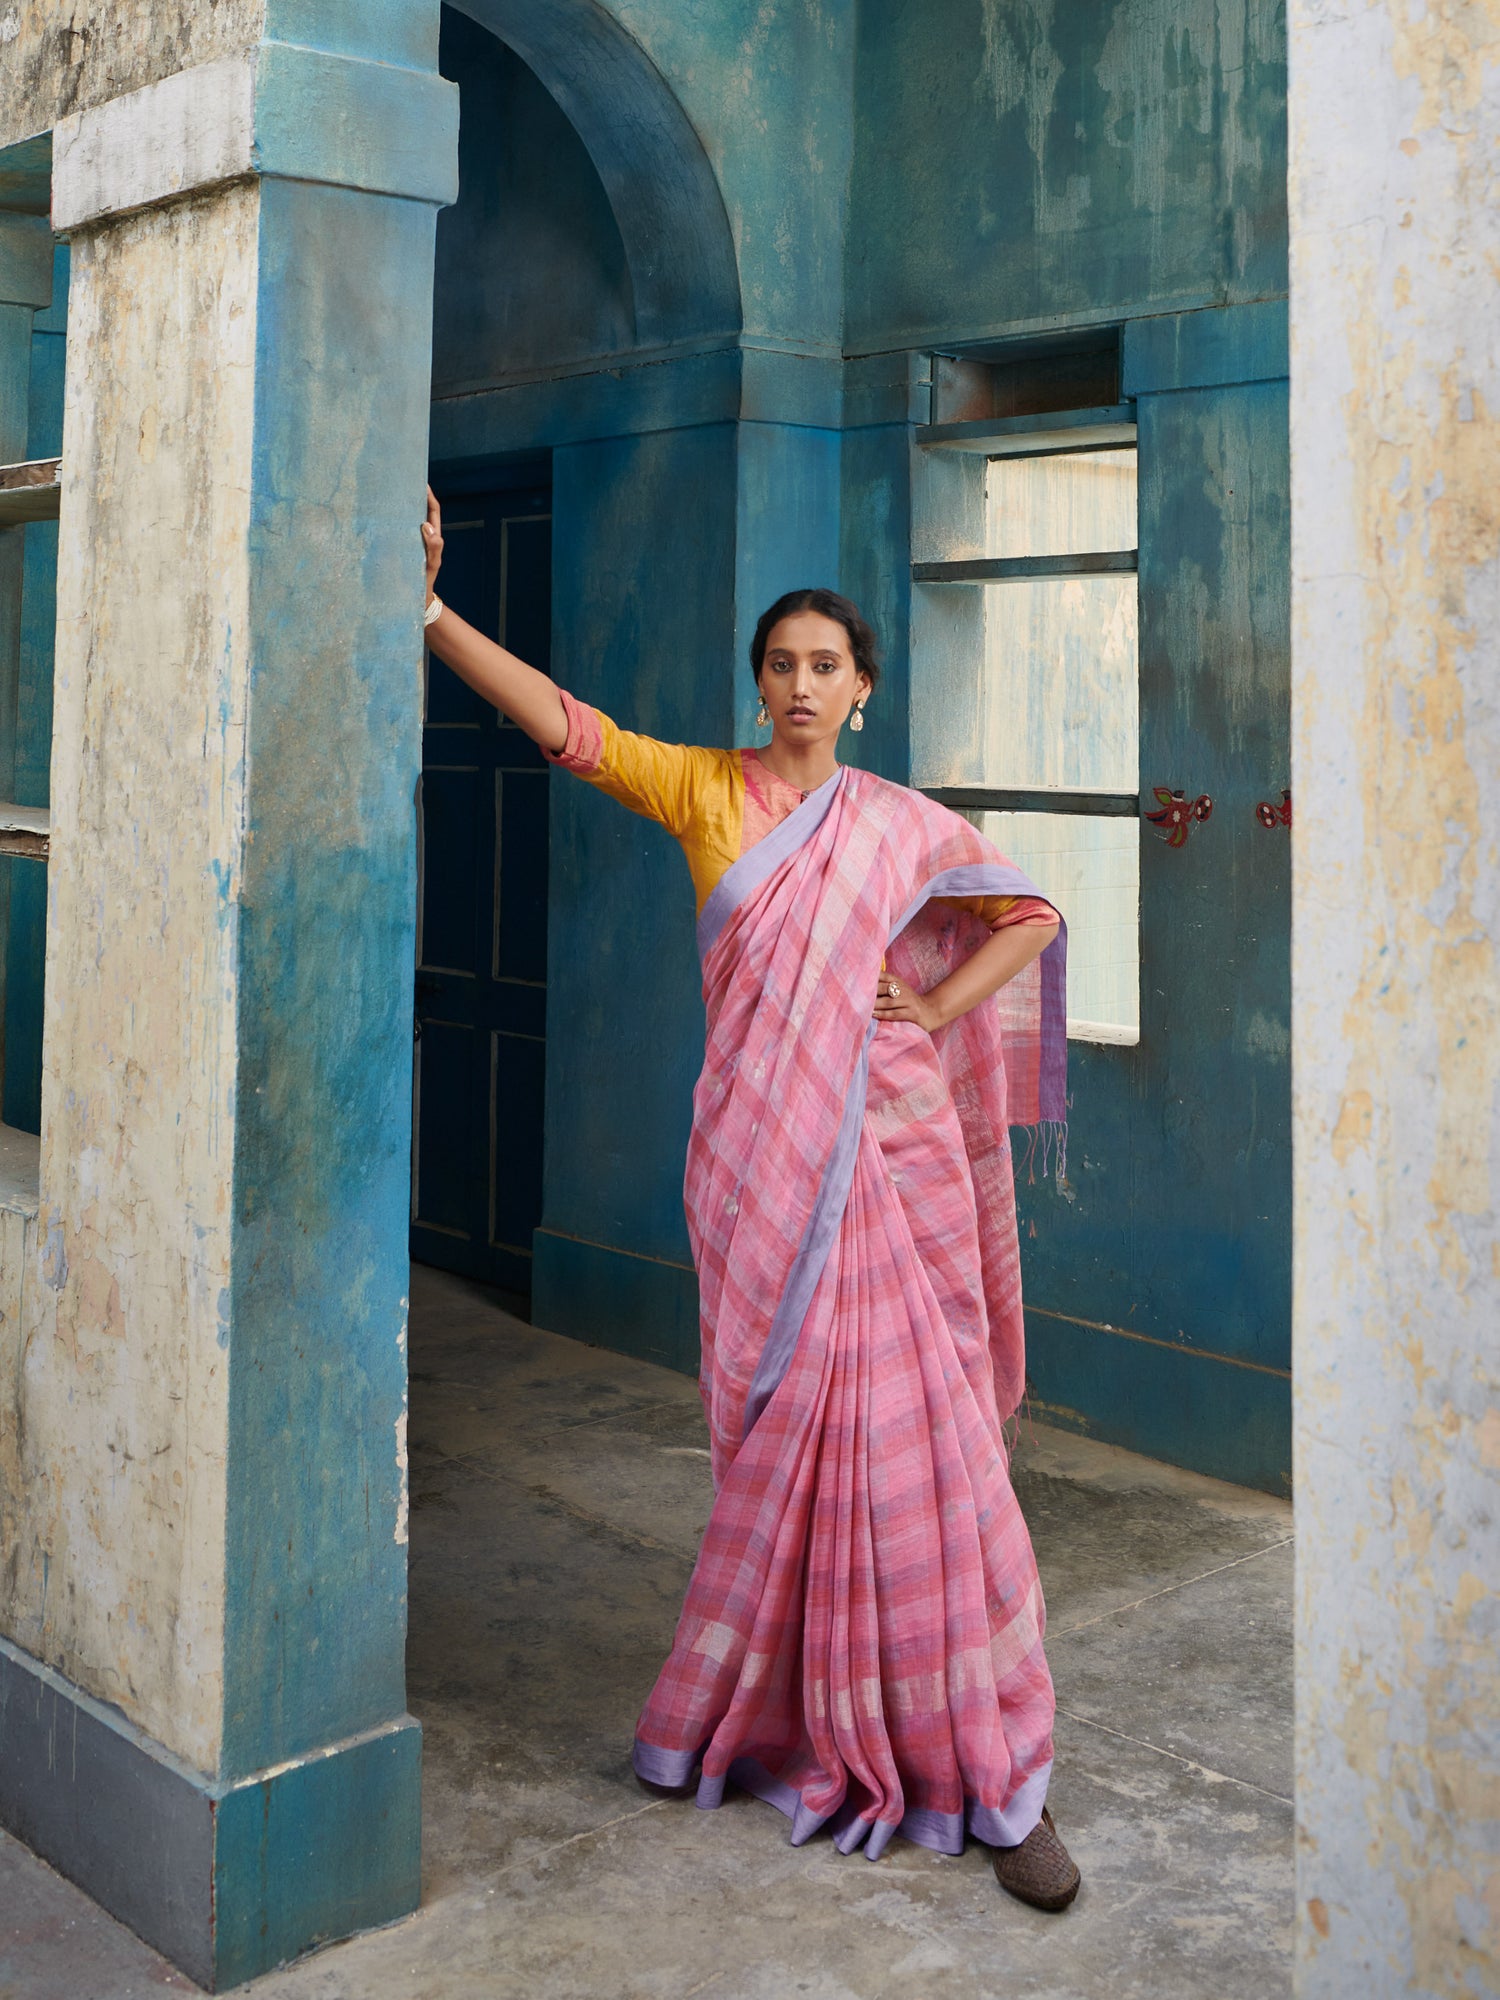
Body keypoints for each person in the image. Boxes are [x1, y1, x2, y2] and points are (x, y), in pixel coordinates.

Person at [420, 489, 1081, 1912]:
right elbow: (566, 725)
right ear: (760, 681)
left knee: (941, 1463)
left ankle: (986, 1763)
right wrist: (425, 614)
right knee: (786, 1456)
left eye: (822, 667)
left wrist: (931, 1004)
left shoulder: (902, 827)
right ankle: (787, 1724)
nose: (797, 686)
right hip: (761, 1176)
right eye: (779, 663)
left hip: (889, 1180)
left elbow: (1030, 912)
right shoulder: (706, 791)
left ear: (862, 690)